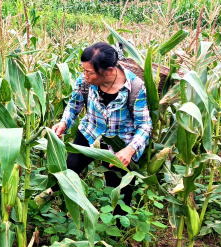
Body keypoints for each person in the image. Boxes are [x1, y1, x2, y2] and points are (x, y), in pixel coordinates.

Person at [42, 42, 153, 214]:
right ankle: (42, 202)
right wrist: (64, 122)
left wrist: (130, 150)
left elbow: (145, 125)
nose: (84, 75)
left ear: (108, 71)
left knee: (119, 193)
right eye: (84, 70)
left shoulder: (135, 88)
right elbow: (74, 106)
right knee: (66, 171)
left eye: (89, 72)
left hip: (119, 144)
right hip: (90, 132)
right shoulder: (85, 81)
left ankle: (118, 233)